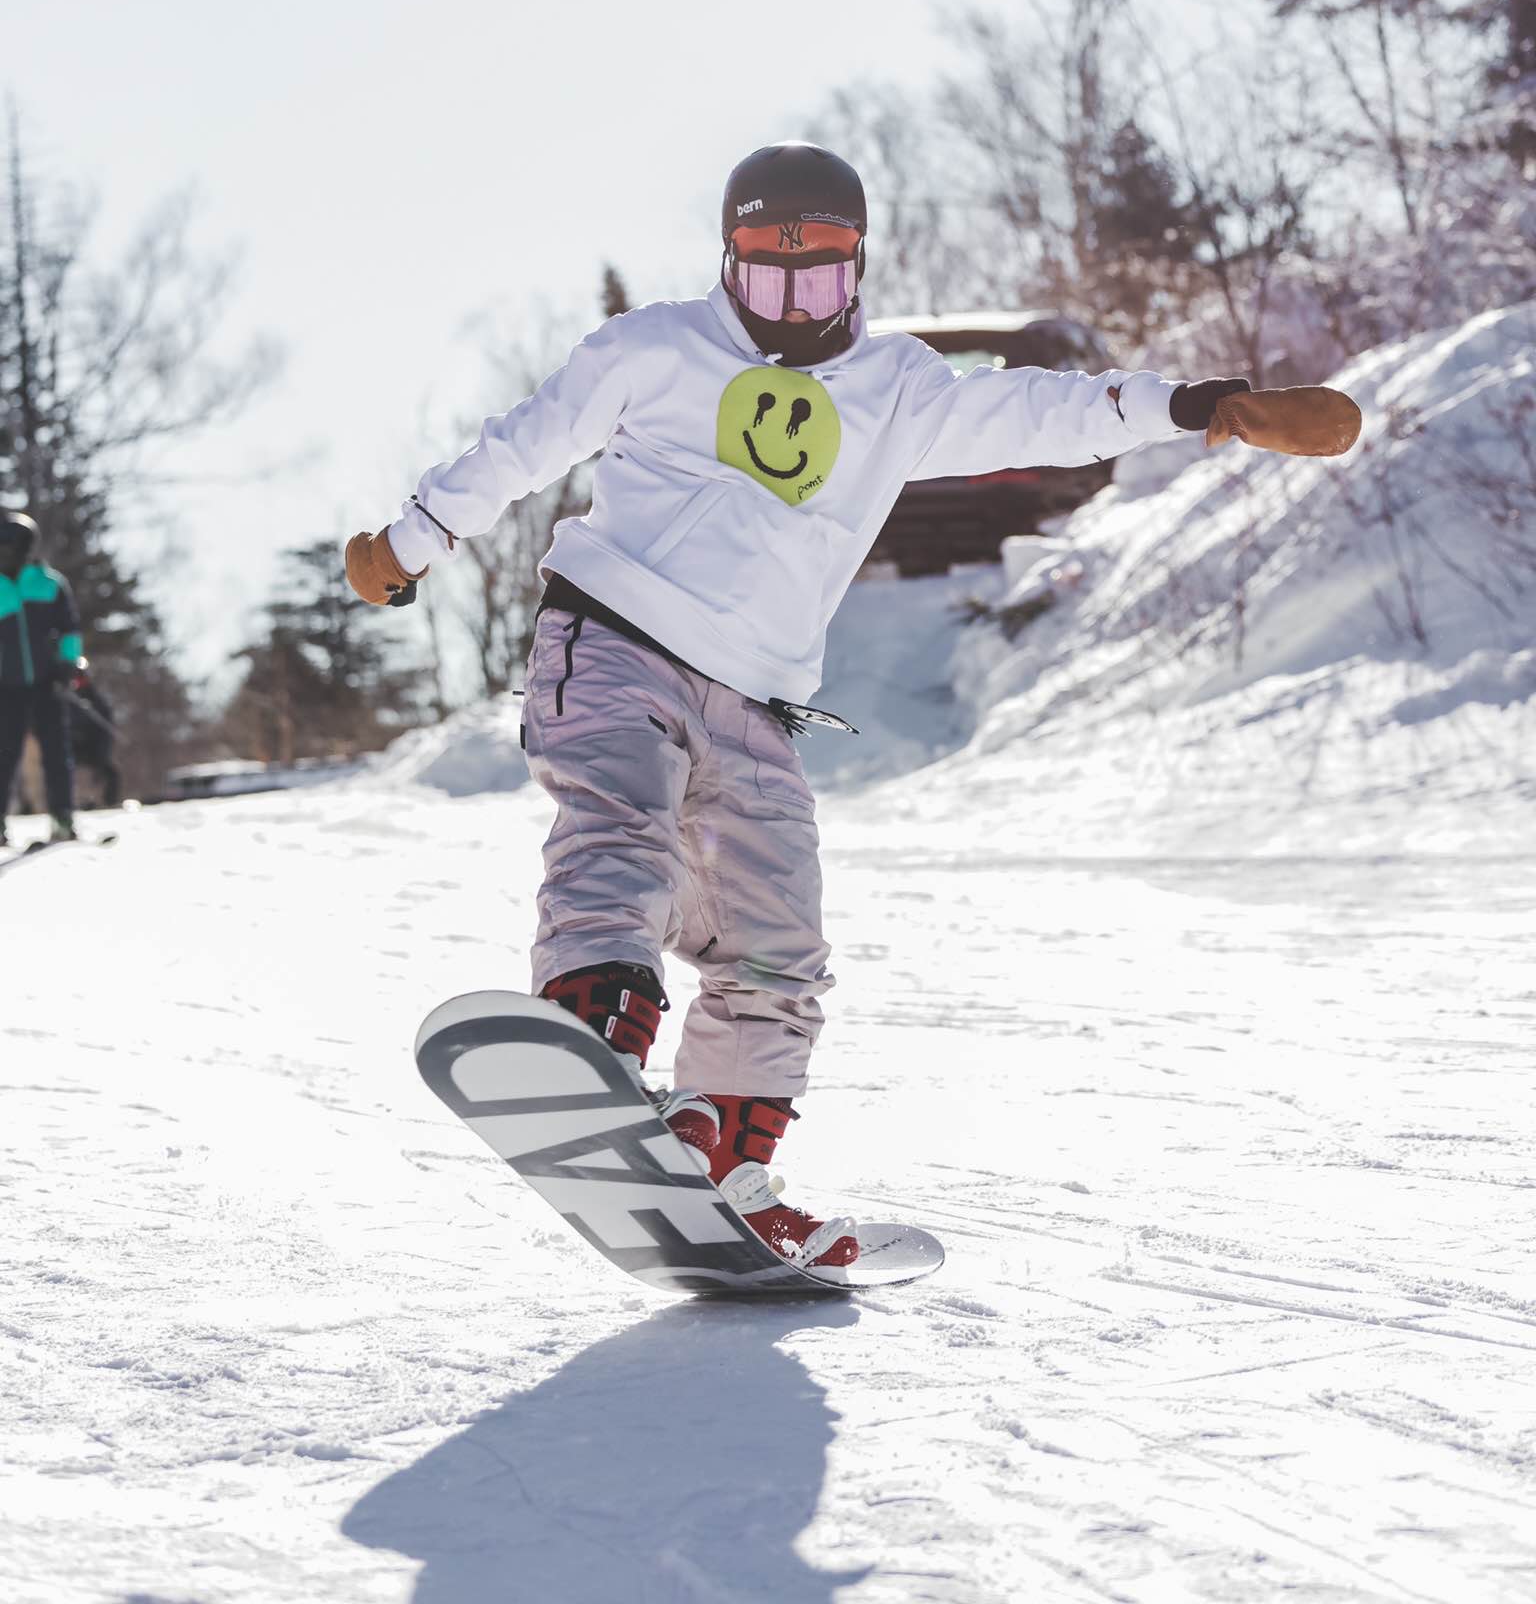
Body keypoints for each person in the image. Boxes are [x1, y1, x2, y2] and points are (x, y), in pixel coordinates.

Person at [346, 143, 1250, 1270]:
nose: (792, 303)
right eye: (769, 278)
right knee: (623, 822)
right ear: (729, 264)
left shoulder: (900, 391)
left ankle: (723, 1160)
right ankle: (591, 1018)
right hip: (616, 640)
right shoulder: (652, 350)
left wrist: (1202, 406)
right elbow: (520, 448)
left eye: (818, 279)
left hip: (761, 700)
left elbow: (1046, 411)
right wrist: (410, 540)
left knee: (778, 944)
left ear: (856, 268)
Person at [0, 511, 83, 844]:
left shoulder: (49, 583)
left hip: (48, 680)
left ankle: (62, 818)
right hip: (7, 684)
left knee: (55, 750)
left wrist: (68, 664)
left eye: (10, 545)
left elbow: (70, 628)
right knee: (5, 753)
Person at [67, 658, 122, 810]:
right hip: (72, 748)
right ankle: (66, 804)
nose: (77, 680)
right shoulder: (66, 698)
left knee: (111, 772)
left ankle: (109, 803)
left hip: (93, 748)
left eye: (80, 676)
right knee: (61, 769)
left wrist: (102, 755)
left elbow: (106, 731)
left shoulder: (97, 701)